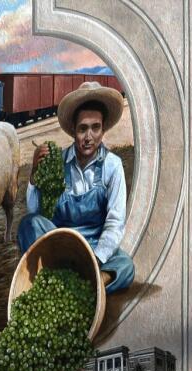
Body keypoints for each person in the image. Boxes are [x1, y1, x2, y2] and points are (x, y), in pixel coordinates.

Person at [19, 81, 134, 294]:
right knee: (28, 224)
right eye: (83, 129)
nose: (89, 137)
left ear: (103, 128)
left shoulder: (112, 165)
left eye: (95, 128)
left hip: (94, 247)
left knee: (126, 266)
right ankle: (87, 284)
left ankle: (86, 279)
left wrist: (95, 260)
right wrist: (34, 176)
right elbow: (37, 213)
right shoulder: (58, 162)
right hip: (60, 244)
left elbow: (115, 223)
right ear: (73, 130)